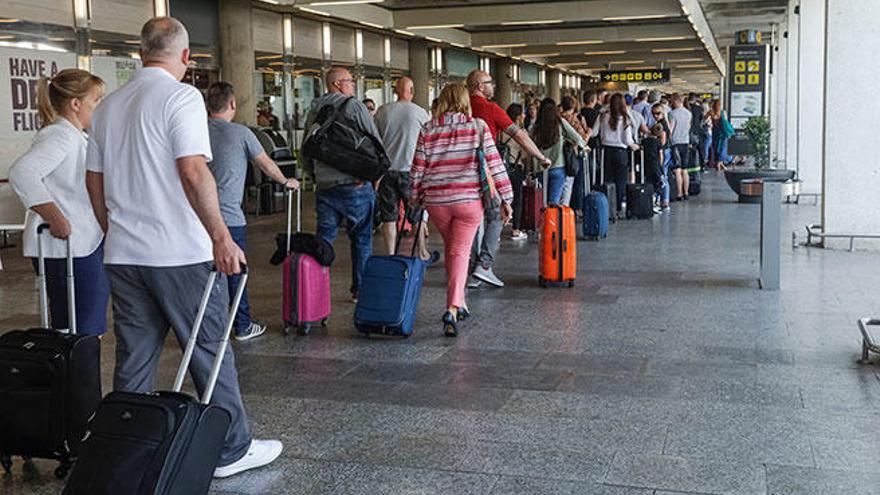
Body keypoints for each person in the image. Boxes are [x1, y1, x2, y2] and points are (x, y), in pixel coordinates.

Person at [84, 17, 281, 478]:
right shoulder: (182, 96)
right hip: (181, 254)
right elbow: (193, 171)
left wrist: (112, 231)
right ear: (187, 58)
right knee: (210, 348)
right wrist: (221, 235)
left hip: (125, 254)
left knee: (134, 357)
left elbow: (95, 180)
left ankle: (124, 447)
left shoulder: (109, 106)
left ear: (140, 54)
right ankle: (232, 448)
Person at [8, 69, 110, 336]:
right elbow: (22, 172)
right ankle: (77, 376)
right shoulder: (61, 136)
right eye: (96, 101)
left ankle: (77, 375)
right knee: (82, 330)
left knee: (74, 327)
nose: (99, 108)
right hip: (68, 246)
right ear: (76, 104)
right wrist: (55, 217)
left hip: (80, 244)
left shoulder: (75, 136)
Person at [409, 83, 513, 337]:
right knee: (459, 252)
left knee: (454, 250)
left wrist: (415, 198)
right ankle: (452, 307)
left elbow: (417, 170)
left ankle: (461, 302)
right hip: (468, 200)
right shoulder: (477, 127)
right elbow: (495, 165)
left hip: (437, 202)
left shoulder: (428, 129)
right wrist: (507, 197)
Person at [205, 81, 299, 341]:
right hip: (229, 217)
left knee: (204, 272)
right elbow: (266, 164)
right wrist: (285, 182)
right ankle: (242, 324)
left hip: (196, 217)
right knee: (236, 269)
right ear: (232, 104)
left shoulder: (196, 130)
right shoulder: (241, 133)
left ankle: (208, 325)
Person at [303, 67, 383, 303]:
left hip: (326, 187)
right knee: (361, 239)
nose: (353, 85)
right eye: (350, 81)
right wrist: (375, 174)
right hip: (355, 184)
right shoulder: (354, 106)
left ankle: (315, 294)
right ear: (337, 84)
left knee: (323, 240)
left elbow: (307, 148)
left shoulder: (314, 109)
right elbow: (374, 140)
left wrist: (315, 176)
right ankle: (359, 290)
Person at [465, 69, 550, 288]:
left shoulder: (460, 107)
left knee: (472, 219)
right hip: (485, 172)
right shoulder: (490, 109)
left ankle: (471, 270)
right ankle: (483, 266)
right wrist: (540, 157)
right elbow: (519, 135)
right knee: (496, 215)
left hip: (460, 172)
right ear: (480, 86)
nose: (493, 85)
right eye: (490, 82)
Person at [373, 76, 431, 256]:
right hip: (411, 172)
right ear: (412, 91)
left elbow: (375, 142)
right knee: (416, 216)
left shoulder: (382, 111)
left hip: (387, 172)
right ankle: (421, 252)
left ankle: (390, 255)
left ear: (395, 91)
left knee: (389, 217)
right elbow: (428, 142)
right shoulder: (420, 113)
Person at [591, 93, 639, 212]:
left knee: (608, 180)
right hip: (621, 152)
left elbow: (594, 133)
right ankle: (617, 207)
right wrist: (635, 146)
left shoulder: (602, 116)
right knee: (621, 181)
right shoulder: (625, 118)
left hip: (606, 152)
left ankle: (608, 206)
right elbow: (627, 140)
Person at [554, 95, 590, 206]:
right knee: (568, 183)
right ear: (573, 106)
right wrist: (588, 132)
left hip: (557, 155)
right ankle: (565, 209)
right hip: (570, 153)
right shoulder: (573, 119)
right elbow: (581, 138)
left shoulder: (556, 118)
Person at [501, 103, 528, 241]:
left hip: (501, 168)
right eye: (522, 114)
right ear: (518, 117)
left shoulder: (501, 130)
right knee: (517, 198)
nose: (524, 116)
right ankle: (516, 230)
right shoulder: (520, 131)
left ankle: (498, 229)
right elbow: (524, 154)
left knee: (501, 199)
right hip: (515, 167)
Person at [667, 93, 692, 201]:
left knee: (677, 170)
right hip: (685, 142)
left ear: (676, 101)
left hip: (675, 143)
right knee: (685, 170)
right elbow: (689, 127)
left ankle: (679, 194)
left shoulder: (672, 113)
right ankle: (686, 192)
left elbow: (670, 129)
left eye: (672, 101)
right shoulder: (688, 113)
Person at [649, 103, 672, 210]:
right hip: (667, 150)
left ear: (662, 113)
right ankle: (664, 200)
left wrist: (654, 139)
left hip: (663, 152)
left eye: (657, 113)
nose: (655, 116)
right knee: (663, 175)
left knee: (662, 175)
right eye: (653, 113)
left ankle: (664, 200)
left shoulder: (661, 125)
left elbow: (662, 143)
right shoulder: (664, 123)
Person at [708, 99, 734, 170]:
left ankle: (719, 165)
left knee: (717, 149)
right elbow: (725, 122)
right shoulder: (723, 113)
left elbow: (705, 121)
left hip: (715, 133)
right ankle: (720, 165)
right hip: (723, 134)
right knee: (722, 149)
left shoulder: (711, 113)